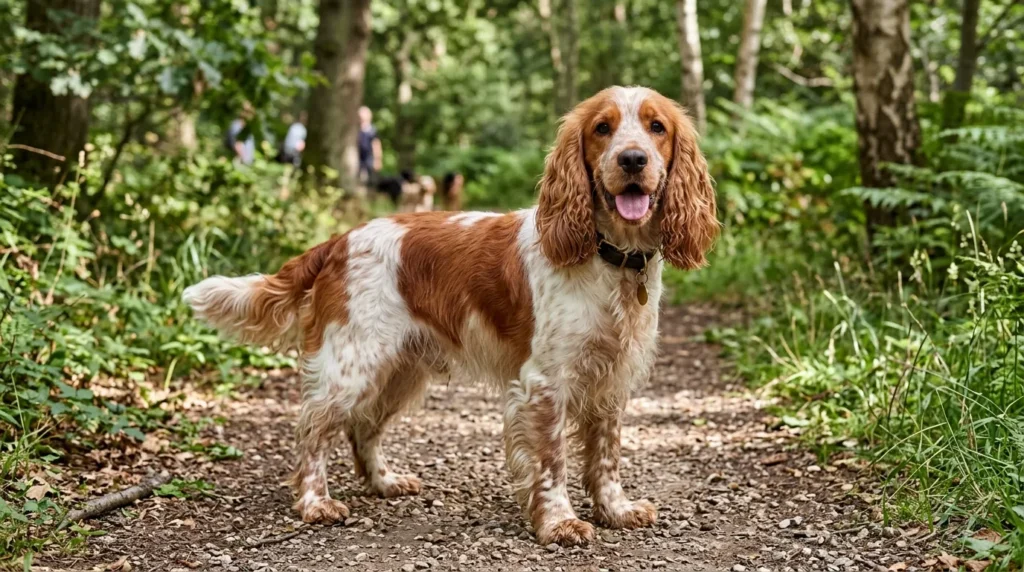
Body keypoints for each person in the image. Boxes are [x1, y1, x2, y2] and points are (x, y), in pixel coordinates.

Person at [357, 106, 383, 184]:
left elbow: (376, 145)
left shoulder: (372, 130)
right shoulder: (356, 130)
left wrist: (377, 160)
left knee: (371, 180)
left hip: (369, 158)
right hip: (359, 159)